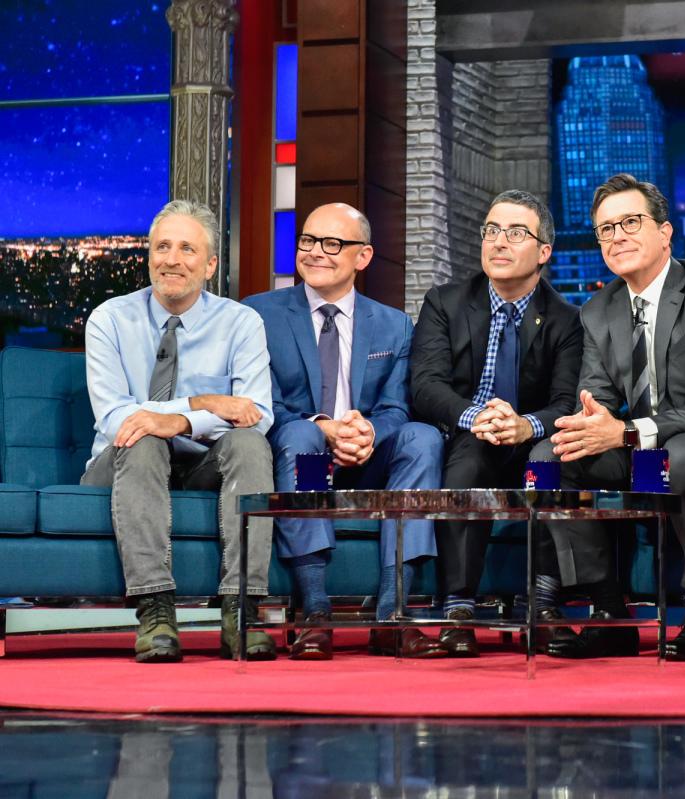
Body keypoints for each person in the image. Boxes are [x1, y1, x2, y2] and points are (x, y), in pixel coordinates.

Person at [529, 173, 685, 660]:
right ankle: (608, 611)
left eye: (630, 222)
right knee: (549, 455)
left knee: (678, 455)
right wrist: (592, 419)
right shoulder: (597, 310)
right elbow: (594, 393)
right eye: (606, 229)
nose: (617, 237)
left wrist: (629, 431)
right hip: (634, 447)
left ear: (664, 232)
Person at [244, 202, 444, 660]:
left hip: (368, 459)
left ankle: (393, 615)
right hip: (306, 458)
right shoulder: (259, 314)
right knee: (303, 438)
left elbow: (397, 405)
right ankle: (315, 612)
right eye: (308, 241)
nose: (315, 252)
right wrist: (325, 427)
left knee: (423, 438)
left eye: (332, 244)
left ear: (363, 256)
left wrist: (369, 430)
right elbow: (263, 404)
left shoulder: (394, 324)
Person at [82, 199, 276, 663]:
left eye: (187, 249)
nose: (171, 259)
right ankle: (156, 613)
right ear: (148, 255)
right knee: (144, 437)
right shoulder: (109, 319)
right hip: (121, 466)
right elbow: (117, 421)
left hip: (201, 465)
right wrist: (202, 404)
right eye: (162, 247)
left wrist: (180, 423)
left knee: (249, 442)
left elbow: (258, 414)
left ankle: (240, 612)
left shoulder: (240, 322)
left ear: (210, 264)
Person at [410, 190, 583, 657]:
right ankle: (458, 608)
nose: (498, 242)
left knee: (550, 462)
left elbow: (566, 400)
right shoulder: (445, 302)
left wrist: (526, 426)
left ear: (544, 251)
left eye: (515, 233)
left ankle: (542, 606)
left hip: (531, 437)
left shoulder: (566, 319)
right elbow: (425, 385)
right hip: (473, 433)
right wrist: (476, 416)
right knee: (466, 462)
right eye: (491, 230)